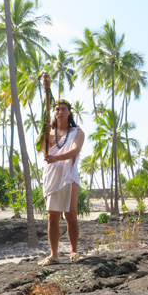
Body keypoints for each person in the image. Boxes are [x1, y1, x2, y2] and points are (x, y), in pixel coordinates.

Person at [38, 99, 85, 266]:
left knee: (70, 215)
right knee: (52, 217)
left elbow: (75, 150)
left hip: (69, 176)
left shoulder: (77, 132)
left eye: (63, 109)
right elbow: (39, 148)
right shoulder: (49, 133)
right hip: (51, 176)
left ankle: (73, 252)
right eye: (57, 109)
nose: (60, 112)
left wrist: (56, 157)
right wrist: (42, 134)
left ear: (69, 112)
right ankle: (54, 255)